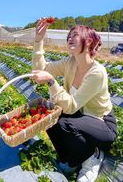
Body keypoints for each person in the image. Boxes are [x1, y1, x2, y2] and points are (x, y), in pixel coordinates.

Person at [31, 18, 117, 182]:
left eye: (75, 35)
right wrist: (38, 40)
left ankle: (92, 157)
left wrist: (51, 81)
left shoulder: (97, 72)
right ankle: (70, 159)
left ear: (89, 41)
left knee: (66, 123)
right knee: (50, 118)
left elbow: (70, 107)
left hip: (102, 123)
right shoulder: (69, 62)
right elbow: (38, 71)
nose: (70, 37)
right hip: (80, 115)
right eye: (69, 35)